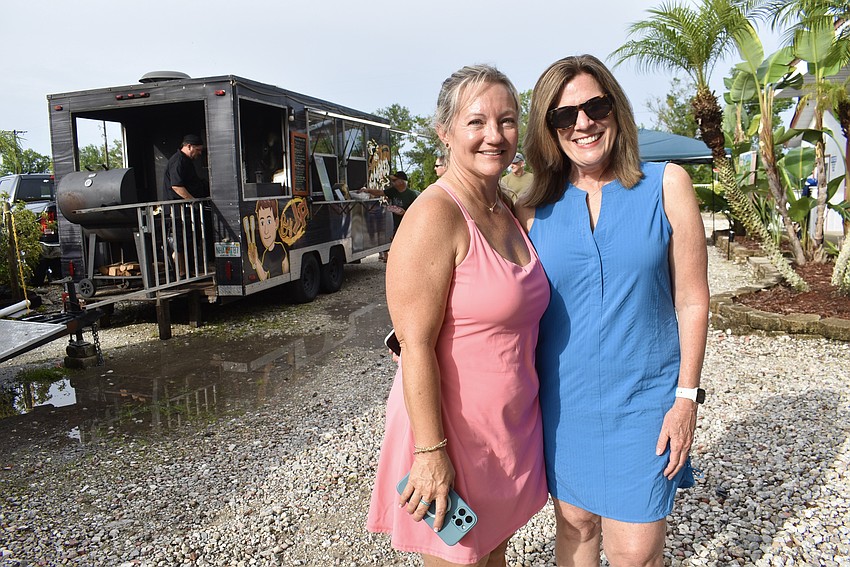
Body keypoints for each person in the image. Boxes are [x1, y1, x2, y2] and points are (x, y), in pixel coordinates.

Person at [517, 54, 709, 566]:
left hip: (645, 403)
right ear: (549, 129)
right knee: (575, 528)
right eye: (564, 115)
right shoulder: (531, 209)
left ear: (615, 109)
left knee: (635, 551)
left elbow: (692, 298)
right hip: (564, 405)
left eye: (594, 106)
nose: (583, 123)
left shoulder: (666, 185)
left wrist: (686, 399)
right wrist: (407, 336)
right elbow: (486, 292)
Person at [367, 64, 549, 566]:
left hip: (503, 433)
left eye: (507, 120)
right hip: (449, 435)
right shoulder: (435, 215)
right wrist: (430, 454)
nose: (495, 135)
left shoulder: (506, 207)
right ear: (444, 132)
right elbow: (413, 345)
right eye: (477, 122)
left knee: (493, 555)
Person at [162, 134, 206, 276]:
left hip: (185, 210)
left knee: (189, 240)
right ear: (189, 146)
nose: (199, 153)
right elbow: (176, 186)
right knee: (181, 242)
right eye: (198, 150)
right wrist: (192, 200)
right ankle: (181, 272)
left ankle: (189, 270)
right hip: (178, 210)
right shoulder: (178, 160)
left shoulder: (186, 161)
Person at [364, 171, 419, 261]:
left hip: (408, 225)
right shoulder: (393, 191)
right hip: (396, 225)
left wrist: (405, 212)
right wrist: (368, 190)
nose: (392, 182)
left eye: (394, 180)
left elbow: (416, 212)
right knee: (395, 243)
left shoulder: (411, 195)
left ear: (401, 181)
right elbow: (380, 192)